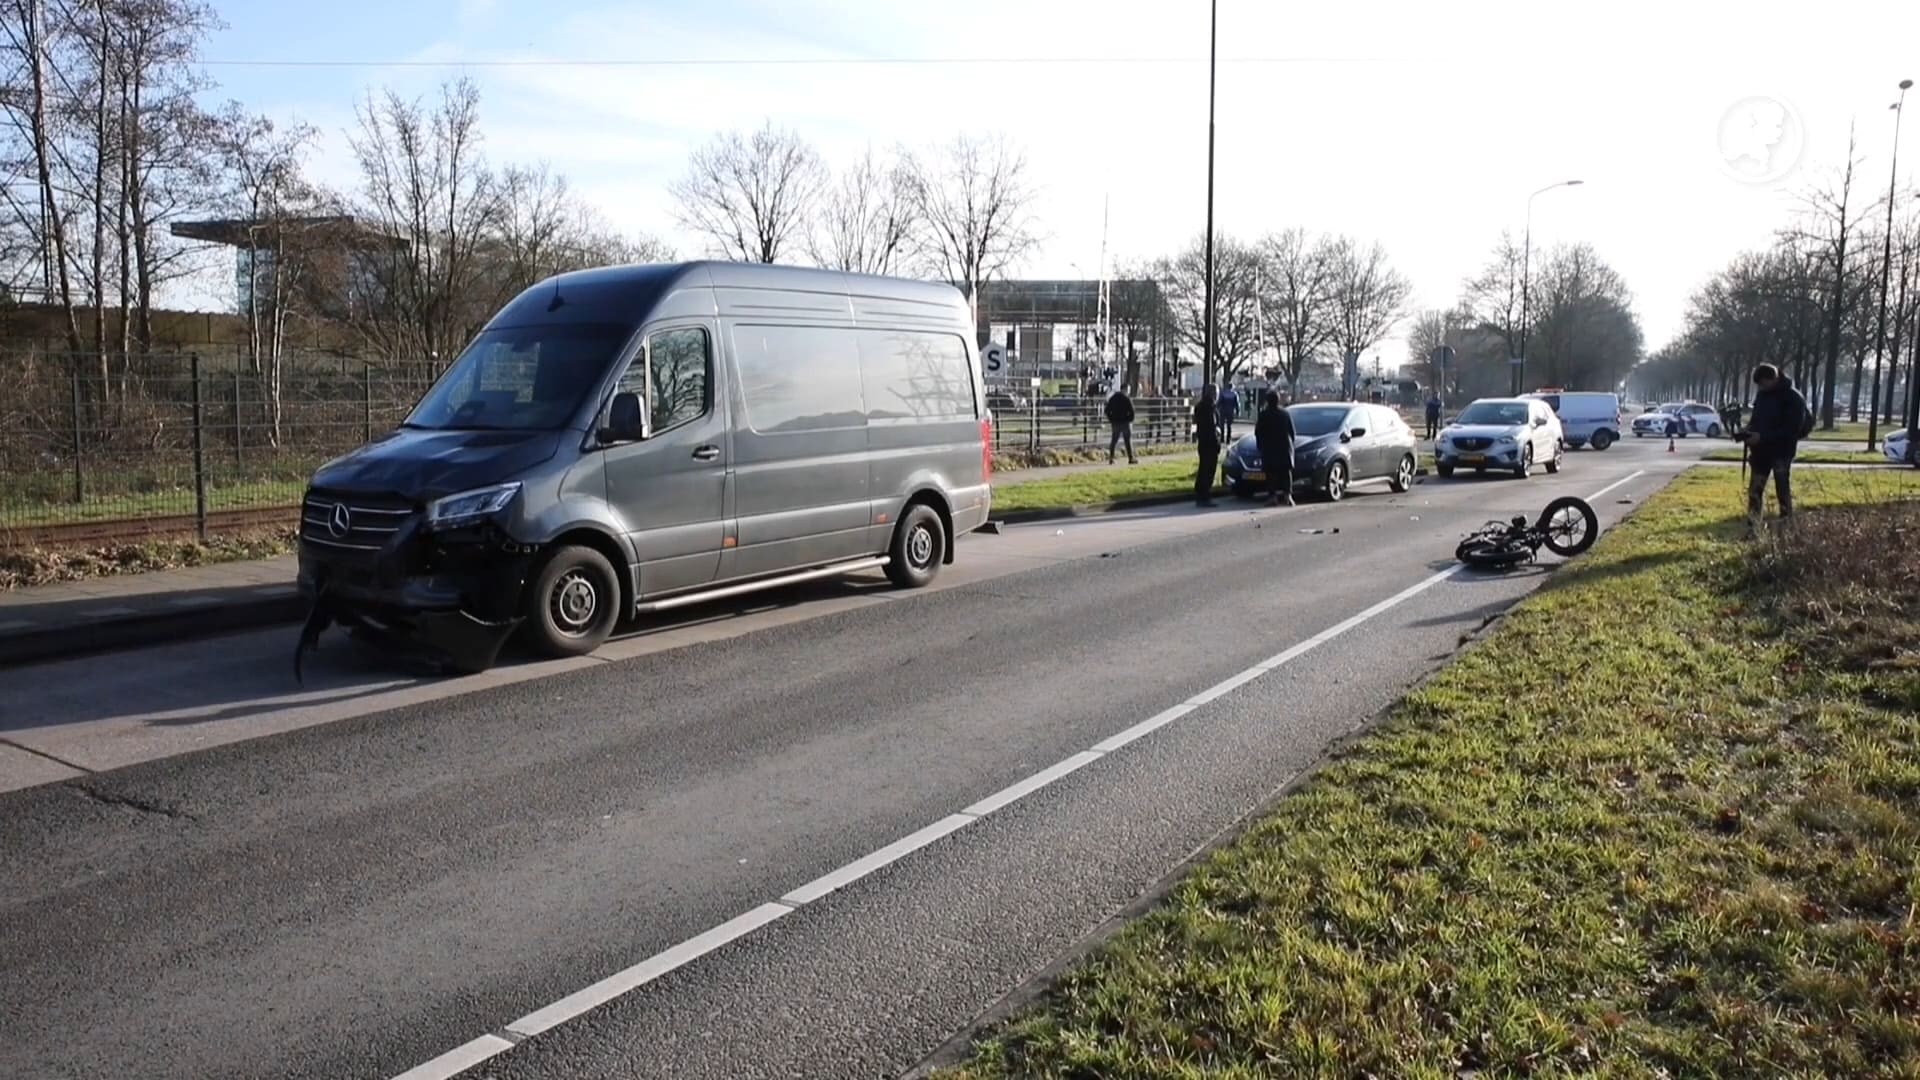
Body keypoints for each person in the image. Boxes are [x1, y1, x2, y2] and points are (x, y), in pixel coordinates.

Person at [1742, 363, 1811, 536]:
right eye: (1759, 385)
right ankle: (1753, 530)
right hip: (1760, 452)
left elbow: (1791, 430)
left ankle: (1786, 528)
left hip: (1782, 451)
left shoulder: (1793, 398)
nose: (1762, 387)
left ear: (1774, 378)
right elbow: (1756, 420)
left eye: (1764, 383)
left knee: (1782, 490)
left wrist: (1762, 437)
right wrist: (1747, 432)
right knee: (1754, 491)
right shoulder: (1762, 396)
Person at [1255, 390, 1296, 507]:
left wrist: (1260, 446)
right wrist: (1291, 445)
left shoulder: (1264, 415)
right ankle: (1288, 495)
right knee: (1286, 472)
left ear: (1267, 401)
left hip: (1269, 448)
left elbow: (1258, 432)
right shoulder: (1285, 414)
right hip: (1284, 447)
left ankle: (1272, 497)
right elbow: (1292, 432)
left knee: (1270, 474)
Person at [1194, 384, 1221, 507]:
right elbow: (1212, 427)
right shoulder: (1211, 408)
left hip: (1202, 441)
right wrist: (1217, 443)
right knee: (1209, 470)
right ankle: (1204, 495)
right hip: (1210, 443)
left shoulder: (1199, 406)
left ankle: (1200, 493)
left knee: (1203, 468)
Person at [1104, 386, 1137, 464]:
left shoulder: (1113, 398)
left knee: (1114, 441)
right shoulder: (1126, 398)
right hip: (1125, 422)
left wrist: (1111, 419)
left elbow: (1107, 410)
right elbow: (1132, 410)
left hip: (1115, 422)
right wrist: (1130, 419)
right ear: (1125, 389)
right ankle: (1130, 458)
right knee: (1128, 441)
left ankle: (1111, 458)